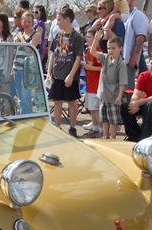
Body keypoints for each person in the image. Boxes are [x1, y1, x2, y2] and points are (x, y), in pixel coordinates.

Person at [46, 7, 83, 136]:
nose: (57, 23)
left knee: (72, 101)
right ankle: (57, 126)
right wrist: (49, 72)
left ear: (67, 20)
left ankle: (72, 126)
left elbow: (78, 57)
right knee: (57, 101)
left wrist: (71, 75)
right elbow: (52, 55)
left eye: (59, 20)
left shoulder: (77, 37)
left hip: (70, 76)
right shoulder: (57, 35)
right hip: (57, 74)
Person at [96, 36, 127, 140]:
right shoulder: (105, 58)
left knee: (113, 120)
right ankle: (105, 136)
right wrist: (96, 40)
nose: (110, 50)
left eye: (113, 48)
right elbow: (92, 52)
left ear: (120, 48)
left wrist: (120, 95)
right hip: (103, 96)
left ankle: (113, 138)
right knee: (104, 119)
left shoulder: (121, 64)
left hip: (113, 97)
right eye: (109, 48)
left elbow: (122, 82)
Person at [15, 11, 43, 115]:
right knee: (20, 97)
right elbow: (18, 50)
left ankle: (26, 118)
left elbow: (29, 49)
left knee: (26, 96)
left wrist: (21, 37)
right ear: (21, 22)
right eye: (25, 21)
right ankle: (22, 116)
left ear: (32, 22)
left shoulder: (36, 34)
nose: (27, 24)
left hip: (28, 70)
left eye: (29, 22)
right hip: (17, 68)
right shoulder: (19, 34)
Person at [122, 0, 149, 89]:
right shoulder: (122, 15)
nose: (123, 0)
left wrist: (134, 56)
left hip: (128, 58)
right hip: (119, 58)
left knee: (127, 88)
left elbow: (141, 37)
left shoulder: (138, 16)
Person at [80, 26, 103, 138]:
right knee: (92, 108)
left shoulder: (99, 52)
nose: (87, 39)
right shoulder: (88, 50)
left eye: (89, 37)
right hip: (90, 84)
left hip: (96, 84)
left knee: (96, 109)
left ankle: (100, 130)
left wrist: (91, 68)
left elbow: (103, 68)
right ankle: (94, 128)